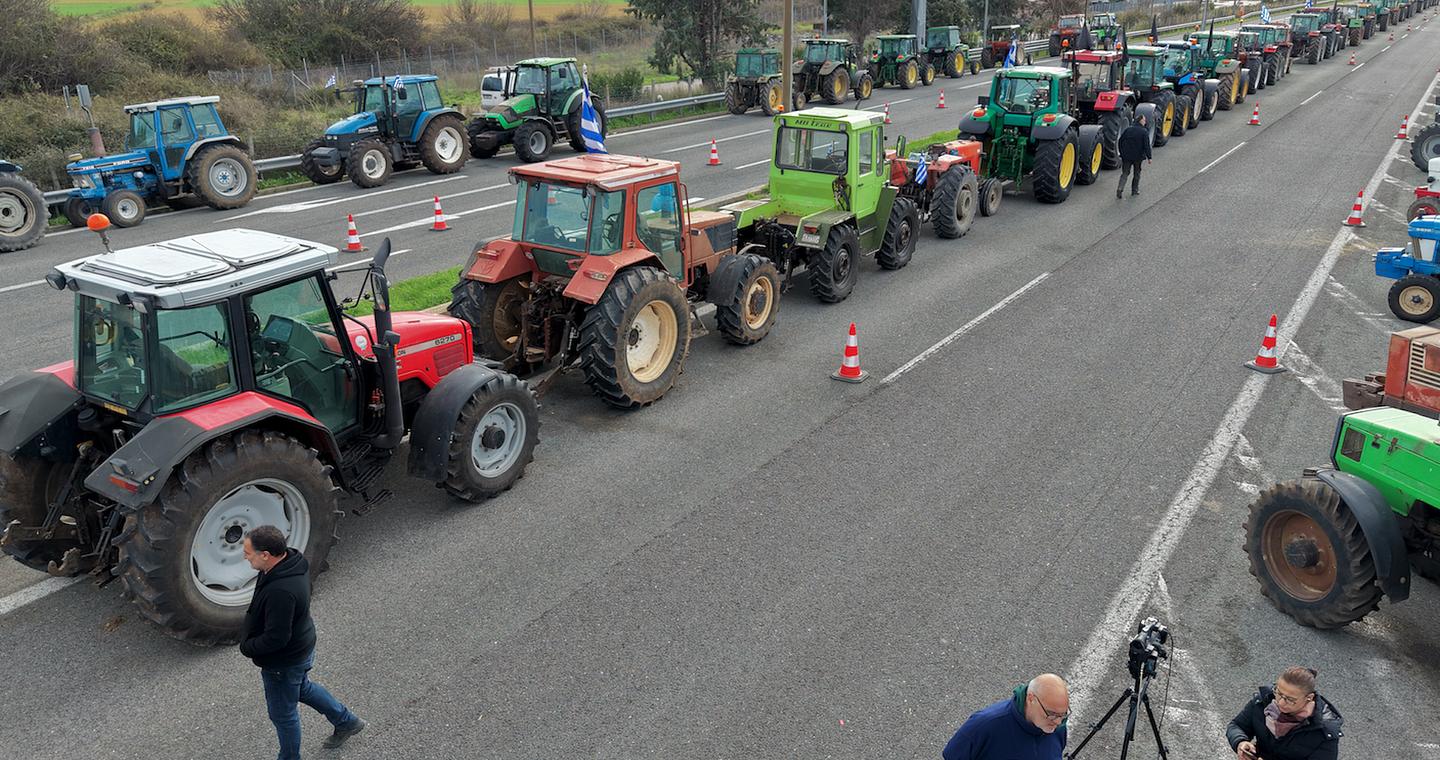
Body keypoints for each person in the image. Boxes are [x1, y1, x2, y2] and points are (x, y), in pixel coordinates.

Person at [241, 525, 366, 759]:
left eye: (247, 553)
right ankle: (347, 721)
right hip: (301, 646)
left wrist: (247, 647)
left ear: (266, 555)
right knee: (302, 688)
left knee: (283, 715)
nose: (244, 557)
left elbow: (277, 638)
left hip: (284, 662)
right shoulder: (287, 564)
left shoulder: (281, 591)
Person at [941, 673, 1069, 759]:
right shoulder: (985, 724)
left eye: (1063, 715)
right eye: (1051, 714)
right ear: (1031, 699)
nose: (1058, 722)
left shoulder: (1056, 727)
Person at [1226, 667, 1342, 760]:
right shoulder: (1264, 701)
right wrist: (1240, 742)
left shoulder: (1324, 732)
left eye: (1290, 699)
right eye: (1279, 693)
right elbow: (1237, 725)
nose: (1280, 702)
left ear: (1309, 698)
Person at [1117, 114, 1153, 199]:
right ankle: (1134, 190)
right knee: (1137, 173)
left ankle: (1120, 188)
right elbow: (1146, 145)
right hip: (1138, 157)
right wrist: (1149, 157)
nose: (1145, 122)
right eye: (1144, 120)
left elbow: (1120, 141)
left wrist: (1122, 153)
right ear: (1140, 121)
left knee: (1125, 173)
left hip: (1126, 156)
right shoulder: (1144, 132)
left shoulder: (1128, 129)